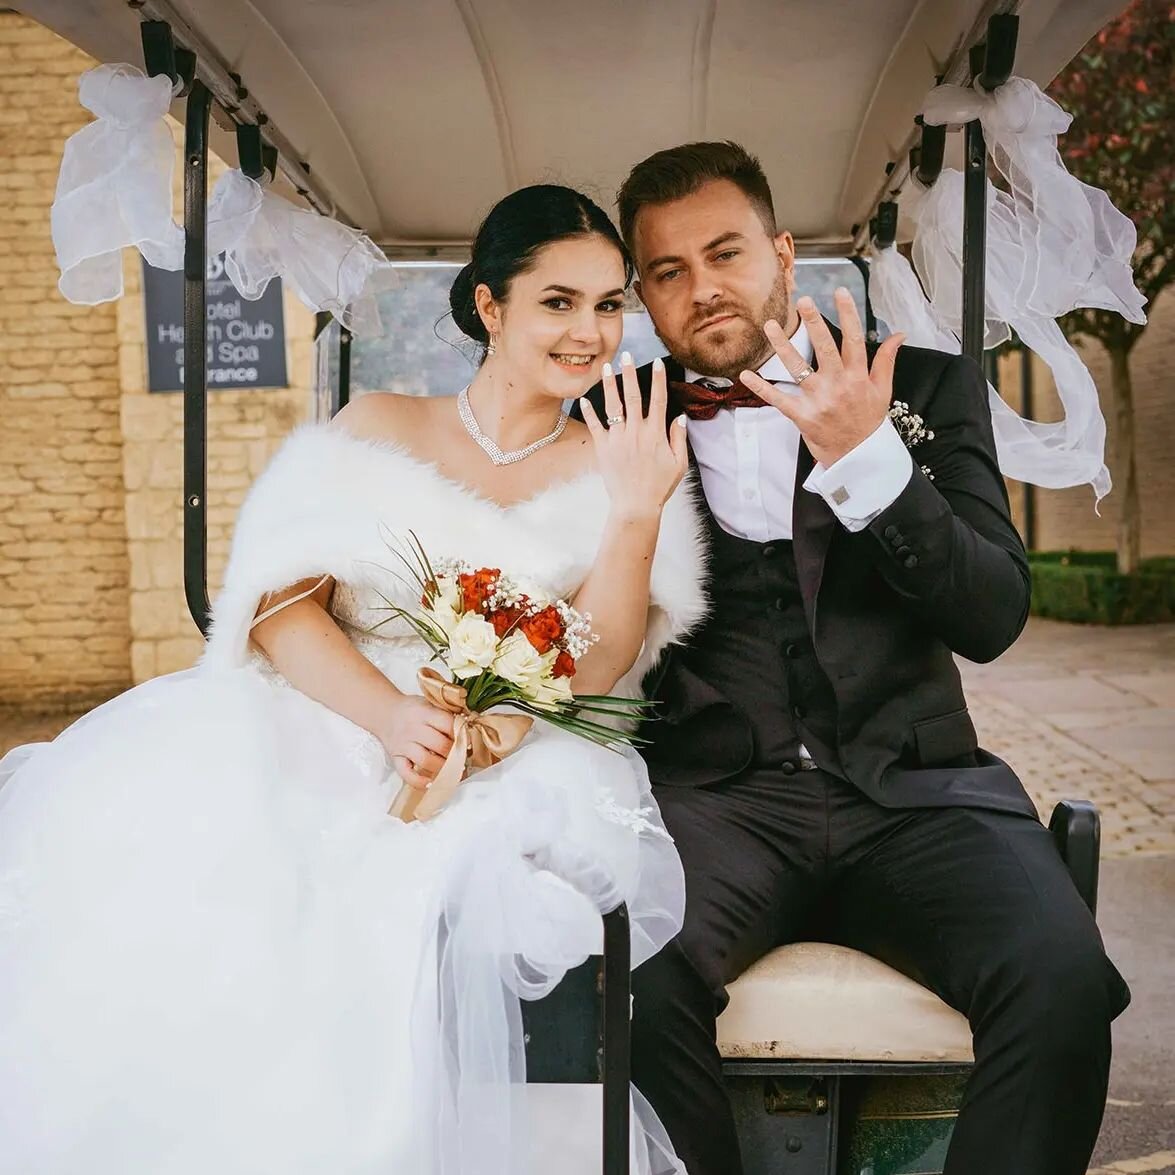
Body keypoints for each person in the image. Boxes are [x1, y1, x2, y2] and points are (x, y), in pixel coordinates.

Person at [0, 184, 708, 1175]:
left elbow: (594, 662)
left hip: (510, 754)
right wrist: (387, 713)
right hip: (331, 715)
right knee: (220, 877)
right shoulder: (378, 421)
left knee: (426, 898)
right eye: (558, 300)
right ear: (490, 307)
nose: (590, 330)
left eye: (606, 303)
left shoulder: (616, 460)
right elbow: (278, 607)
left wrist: (634, 512)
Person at [578, 141, 1132, 1175]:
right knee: (621, 978)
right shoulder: (612, 422)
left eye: (725, 252)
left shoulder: (923, 384)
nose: (701, 289)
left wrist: (871, 460)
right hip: (716, 798)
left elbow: (992, 613)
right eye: (665, 271)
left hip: (916, 789)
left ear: (782, 254)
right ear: (642, 296)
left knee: (1059, 980)